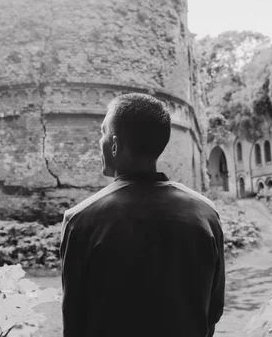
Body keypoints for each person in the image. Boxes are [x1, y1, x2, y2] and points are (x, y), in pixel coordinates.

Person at [60, 93, 225, 337]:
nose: (100, 141)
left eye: (102, 132)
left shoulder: (81, 221)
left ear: (114, 145)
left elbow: (74, 325)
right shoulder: (206, 214)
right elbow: (213, 314)